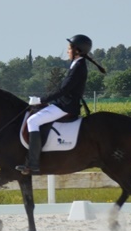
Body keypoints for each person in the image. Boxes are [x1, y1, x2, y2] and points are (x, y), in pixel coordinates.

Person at [16, 34, 106, 175]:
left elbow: (64, 90)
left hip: (66, 107)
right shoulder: (76, 64)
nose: (67, 51)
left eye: (69, 48)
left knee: (33, 121)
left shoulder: (79, 66)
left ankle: (33, 163)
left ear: (77, 50)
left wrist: (41, 100)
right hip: (62, 104)